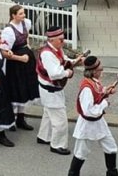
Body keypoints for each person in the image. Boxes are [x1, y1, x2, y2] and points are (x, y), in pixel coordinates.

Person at [68, 55, 118, 176]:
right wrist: (104, 103)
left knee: (111, 146)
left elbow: (99, 92)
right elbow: (88, 111)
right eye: (100, 70)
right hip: (87, 124)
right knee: (81, 152)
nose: (102, 71)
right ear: (94, 71)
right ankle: (72, 174)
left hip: (98, 122)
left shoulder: (93, 82)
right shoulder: (87, 88)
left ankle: (112, 173)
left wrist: (107, 91)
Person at [37, 25, 84, 155]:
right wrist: (68, 72)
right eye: (61, 39)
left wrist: (76, 61)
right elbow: (54, 73)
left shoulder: (56, 49)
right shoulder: (47, 54)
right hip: (51, 89)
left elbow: (64, 60)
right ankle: (57, 145)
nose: (63, 42)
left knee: (48, 113)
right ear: (51, 40)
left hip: (49, 89)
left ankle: (43, 136)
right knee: (60, 120)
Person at [0, 5, 39, 131]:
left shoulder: (25, 23)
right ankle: (11, 119)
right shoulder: (8, 31)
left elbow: (26, 37)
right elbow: (4, 52)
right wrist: (20, 58)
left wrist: (27, 48)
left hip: (26, 62)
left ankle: (21, 119)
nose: (24, 16)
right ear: (13, 15)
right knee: (15, 90)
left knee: (25, 89)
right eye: (21, 14)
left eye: (24, 13)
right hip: (15, 64)